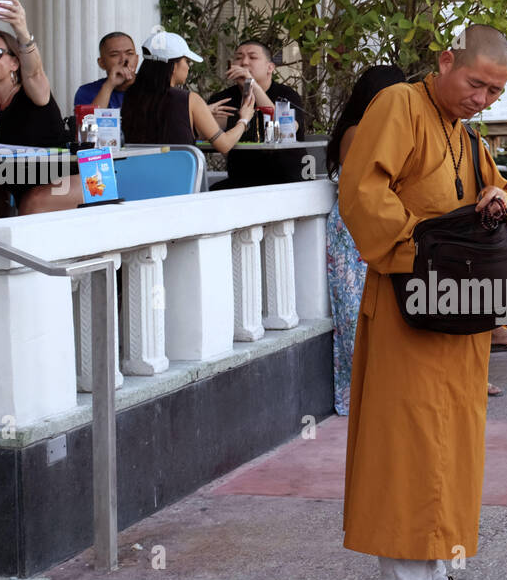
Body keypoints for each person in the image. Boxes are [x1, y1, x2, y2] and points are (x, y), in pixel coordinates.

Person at [338, 25, 507, 580]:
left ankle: (439, 576)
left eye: (494, 91)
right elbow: (362, 191)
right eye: (475, 83)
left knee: (454, 443)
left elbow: (493, 194)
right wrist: (426, 244)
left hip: (457, 311)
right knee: (409, 448)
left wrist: (497, 199)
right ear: (446, 62)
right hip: (408, 304)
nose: (482, 99)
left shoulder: (466, 135)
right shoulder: (398, 104)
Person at [325, 64, 407, 416]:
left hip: (372, 227)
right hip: (354, 230)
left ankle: (384, 391)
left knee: (381, 310)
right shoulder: (358, 132)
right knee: (357, 313)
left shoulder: (377, 128)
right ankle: (366, 395)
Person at [0, 0, 70, 214]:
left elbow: (34, 71)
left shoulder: (33, 92)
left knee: (32, 202)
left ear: (15, 63)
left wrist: (22, 31)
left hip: (77, 179)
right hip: (23, 187)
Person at [121, 31, 256, 152]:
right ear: (173, 66)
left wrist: (200, 113)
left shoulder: (130, 95)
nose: (188, 67)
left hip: (136, 176)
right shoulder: (190, 99)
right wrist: (244, 119)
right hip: (178, 178)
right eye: (186, 61)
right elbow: (224, 144)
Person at [207, 39, 308, 189]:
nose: (244, 62)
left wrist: (252, 85)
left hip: (287, 181)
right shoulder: (222, 99)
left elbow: (286, 128)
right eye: (239, 57)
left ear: (270, 67)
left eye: (252, 57)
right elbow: (206, 131)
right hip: (241, 180)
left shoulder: (286, 95)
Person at [73, 31, 139, 110]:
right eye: (114, 55)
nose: (124, 59)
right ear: (101, 63)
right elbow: (90, 122)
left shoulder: (153, 87)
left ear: (137, 59)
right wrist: (109, 85)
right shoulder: (86, 92)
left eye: (130, 53)